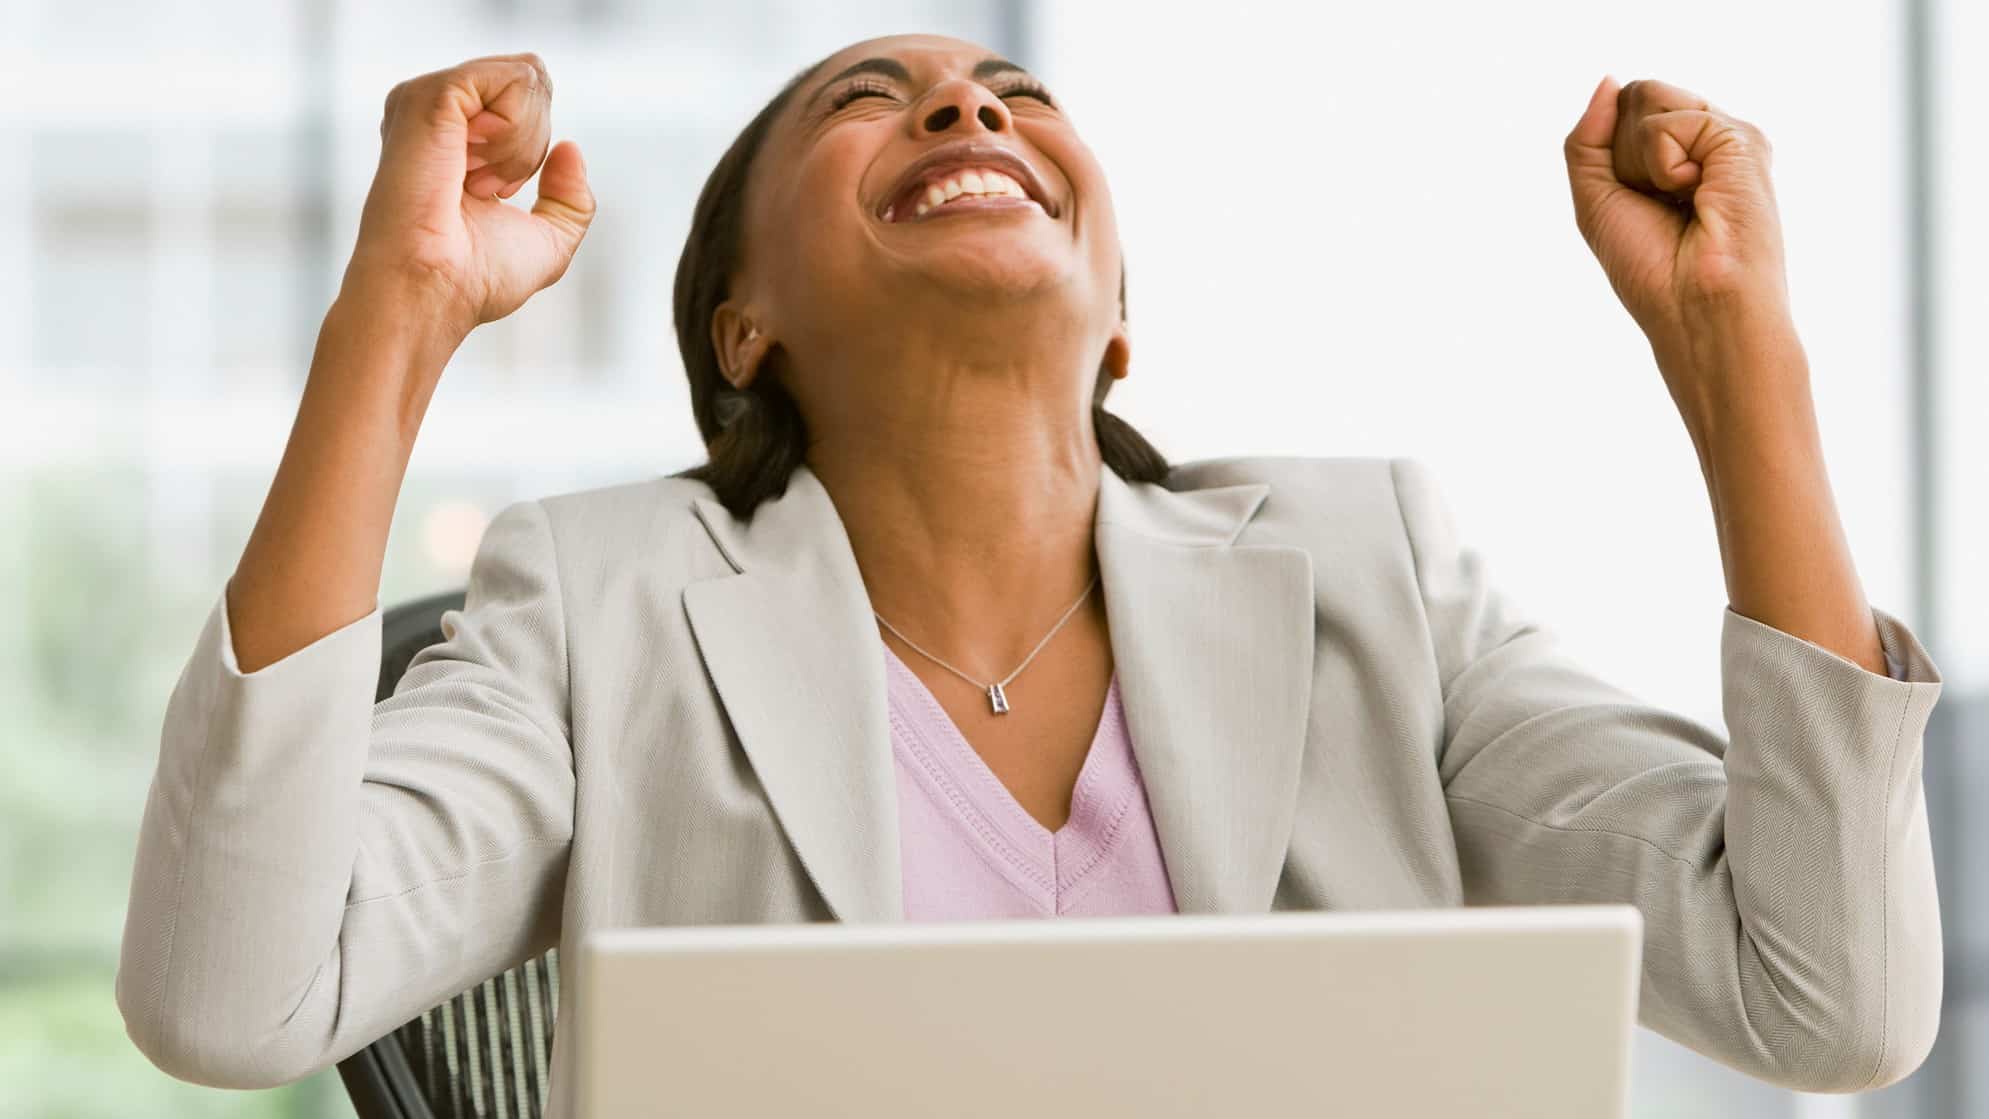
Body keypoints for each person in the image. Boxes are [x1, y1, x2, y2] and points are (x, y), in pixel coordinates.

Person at [115, 32, 1944, 1114]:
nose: (967, 114)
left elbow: (1825, 1000)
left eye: (1010, 96)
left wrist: (1735, 359)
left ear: (1117, 322)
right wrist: (400, 318)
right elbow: (231, 995)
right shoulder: (600, 598)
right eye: (871, 99)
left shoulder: (1369, 571)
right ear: (740, 324)